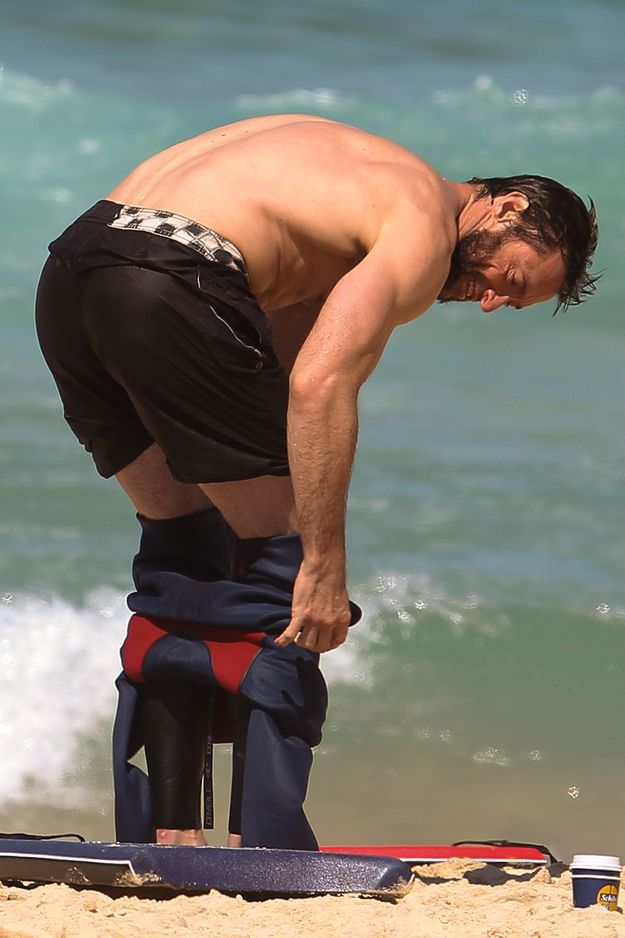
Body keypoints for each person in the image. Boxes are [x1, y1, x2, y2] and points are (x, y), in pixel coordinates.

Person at [35, 113, 598, 850]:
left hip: (77, 271)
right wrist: (323, 563)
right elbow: (319, 387)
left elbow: (268, 376)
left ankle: (168, 837)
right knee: (285, 580)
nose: (489, 299)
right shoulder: (422, 223)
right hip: (174, 276)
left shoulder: (351, 188)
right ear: (508, 206)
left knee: (187, 550)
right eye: (510, 278)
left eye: (508, 304)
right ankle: (260, 843)